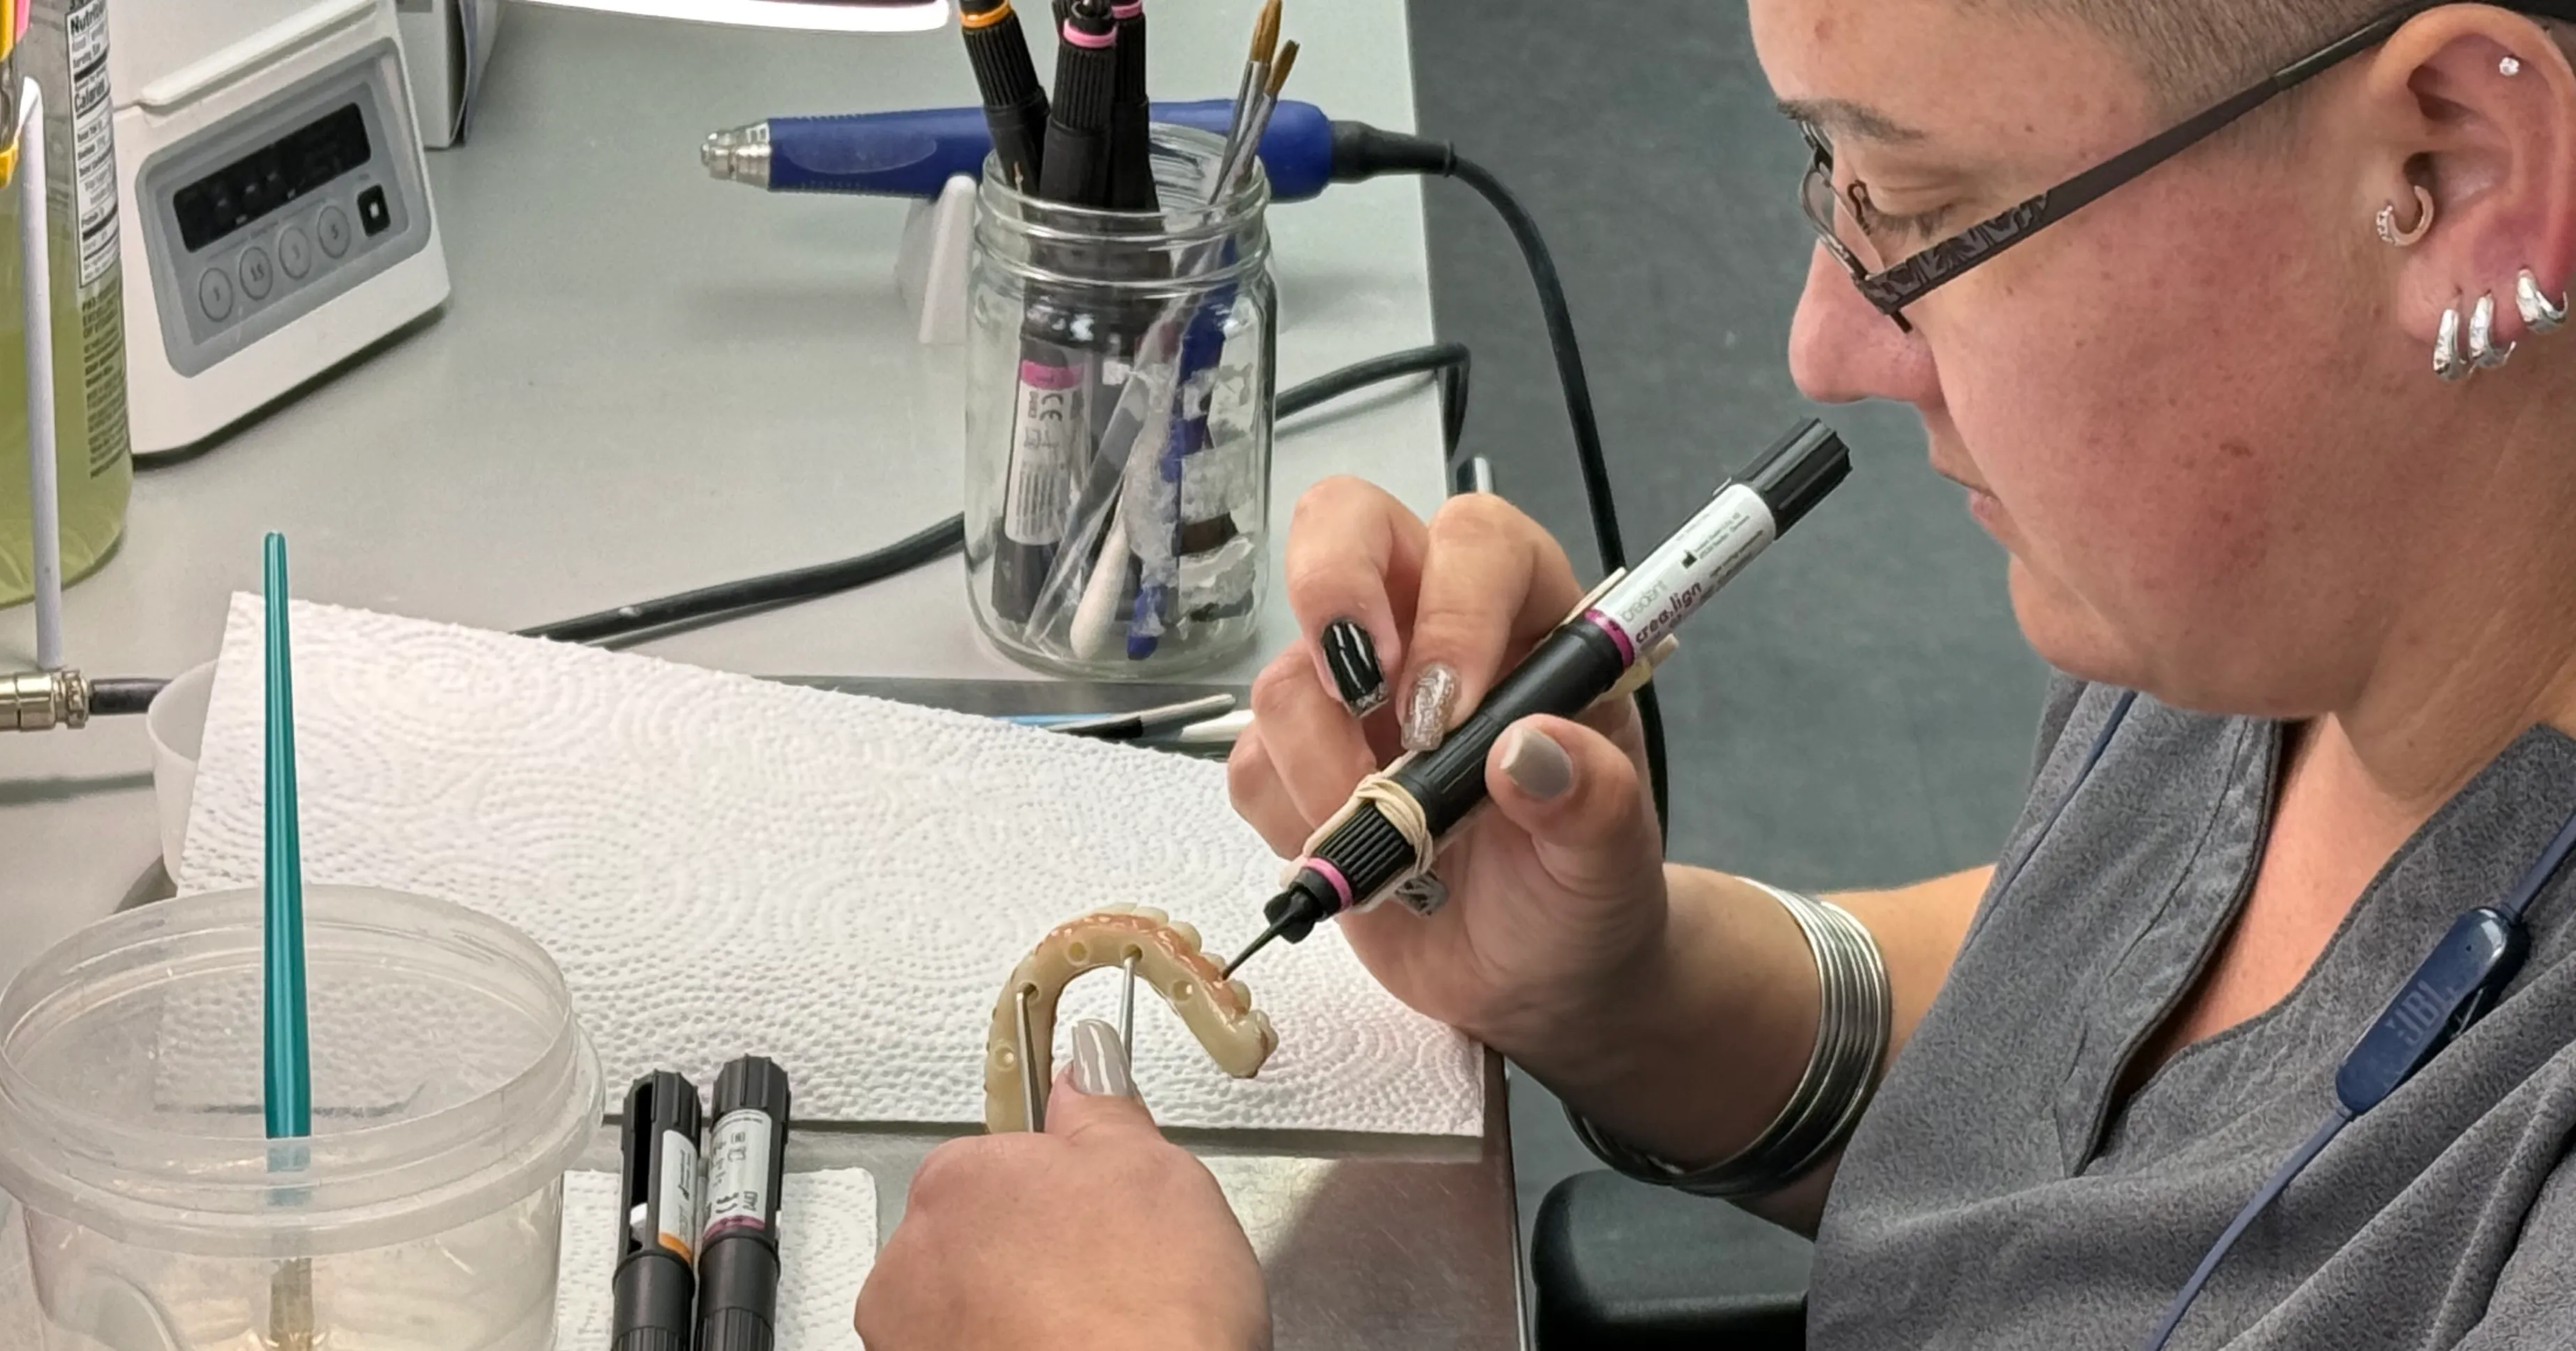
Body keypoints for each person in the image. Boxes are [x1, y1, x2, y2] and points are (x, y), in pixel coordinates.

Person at [855, 0, 2576, 1345]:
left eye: (1913, 207)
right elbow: (2117, 1041)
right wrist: (1626, 986)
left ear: (2460, 168)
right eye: (1828, 176)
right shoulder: (2281, 563)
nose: (1826, 342)